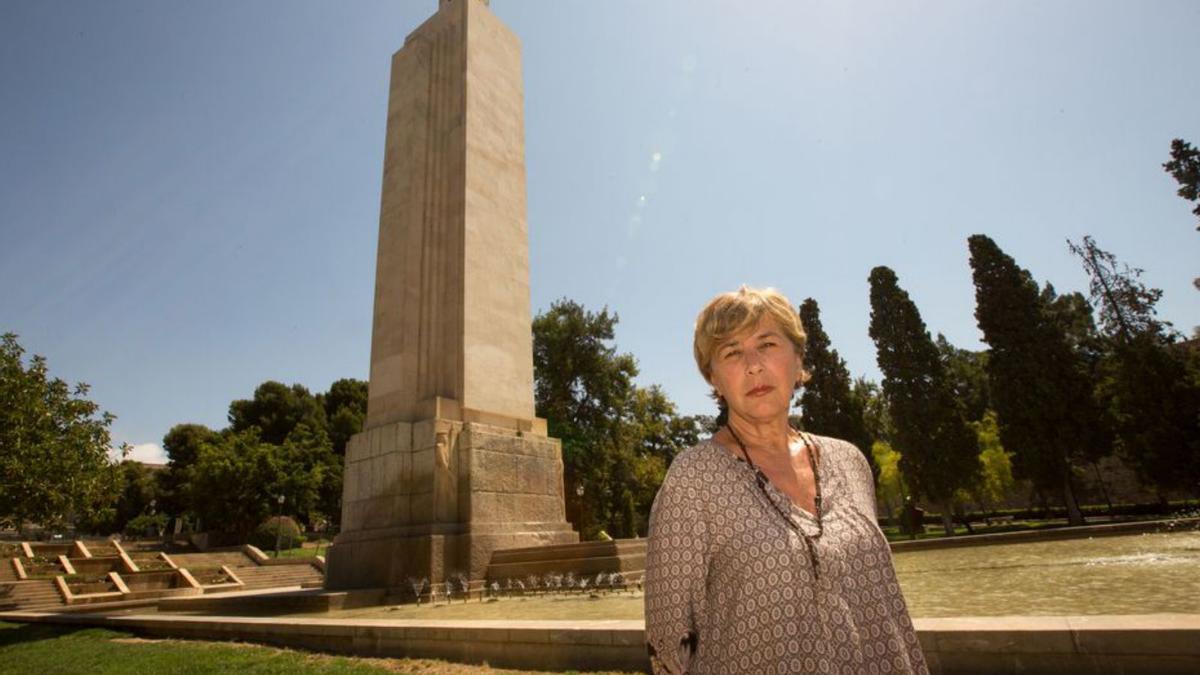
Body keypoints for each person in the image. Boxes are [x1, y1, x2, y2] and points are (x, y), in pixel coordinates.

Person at [644, 286, 927, 674]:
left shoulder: (850, 461)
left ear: (798, 358)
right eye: (731, 352)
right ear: (714, 379)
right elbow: (668, 643)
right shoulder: (693, 479)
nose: (753, 365)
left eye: (767, 344)